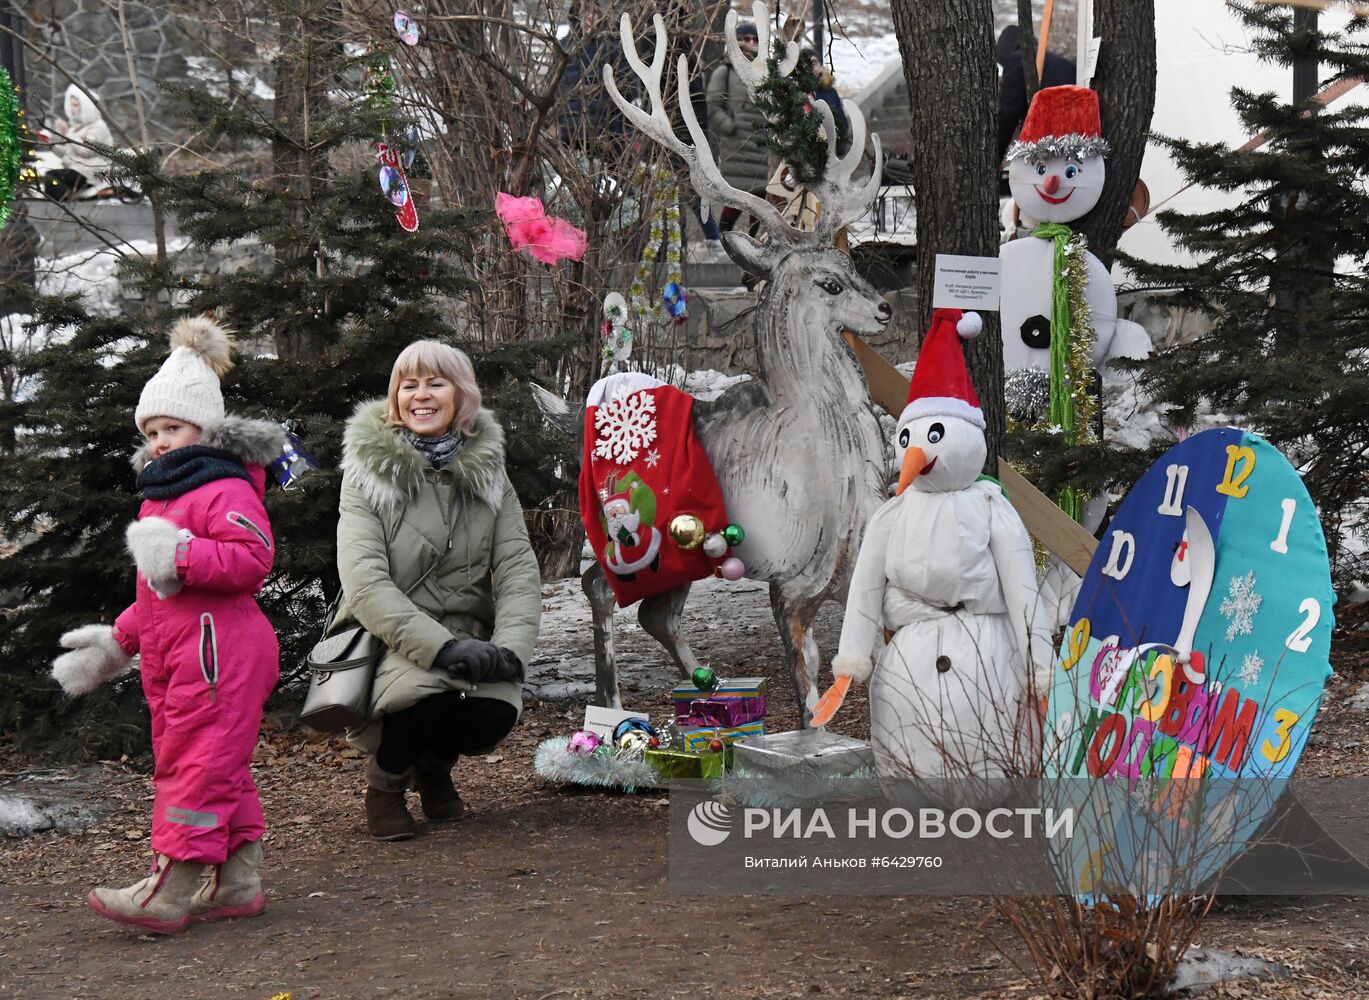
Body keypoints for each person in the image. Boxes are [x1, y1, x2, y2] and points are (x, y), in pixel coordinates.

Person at [50, 317, 285, 935]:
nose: (159, 441)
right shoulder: (163, 496)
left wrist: (178, 552)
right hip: (188, 656)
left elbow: (251, 560)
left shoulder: (224, 487)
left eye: (171, 428)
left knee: (196, 765)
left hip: (221, 658)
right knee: (217, 764)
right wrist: (116, 642)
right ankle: (238, 881)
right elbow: (164, 598)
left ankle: (171, 887)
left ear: (203, 429)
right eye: (151, 431)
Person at [336, 340, 541, 842]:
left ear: (461, 395)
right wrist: (441, 646)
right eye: (409, 385)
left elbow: (517, 568)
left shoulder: (490, 475)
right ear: (395, 397)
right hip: (388, 635)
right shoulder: (367, 475)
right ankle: (385, 786)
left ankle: (432, 765)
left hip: (469, 628)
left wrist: (511, 649)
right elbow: (364, 581)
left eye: (436, 382)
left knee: (493, 711)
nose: (421, 396)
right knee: (424, 694)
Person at [707, 21, 770, 233]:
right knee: (737, 199)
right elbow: (713, 106)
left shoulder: (765, 72)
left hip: (761, 146)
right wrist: (729, 126)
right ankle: (725, 239)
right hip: (737, 147)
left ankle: (754, 246)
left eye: (754, 39)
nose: (750, 43)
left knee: (760, 202)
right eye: (745, 39)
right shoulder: (725, 71)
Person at [996, 25, 1077, 165]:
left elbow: (1008, 114)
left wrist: (995, 157)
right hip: (1075, 140)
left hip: (1044, 141)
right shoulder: (1062, 63)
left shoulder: (1017, 61)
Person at [42, 84, 115, 200]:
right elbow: (66, 153)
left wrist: (67, 133)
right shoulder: (75, 128)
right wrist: (49, 143)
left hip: (91, 172)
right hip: (77, 169)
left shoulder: (98, 127)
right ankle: (55, 204)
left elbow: (86, 150)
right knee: (50, 177)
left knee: (54, 177)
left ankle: (60, 204)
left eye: (75, 105)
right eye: (71, 105)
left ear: (86, 106)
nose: (72, 109)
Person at [803, 48, 852, 157]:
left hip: (833, 150)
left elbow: (842, 119)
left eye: (814, 63)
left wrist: (840, 142)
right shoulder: (799, 93)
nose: (811, 68)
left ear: (820, 65)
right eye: (806, 64)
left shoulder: (830, 91)